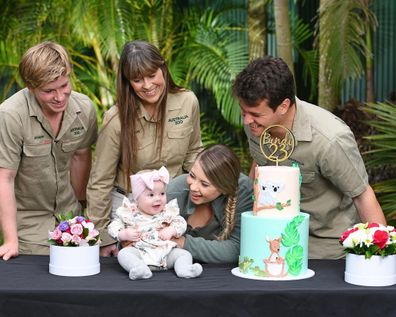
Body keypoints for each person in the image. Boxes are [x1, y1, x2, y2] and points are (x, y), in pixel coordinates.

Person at [232, 56, 387, 259]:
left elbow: (363, 195)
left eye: (255, 114)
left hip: (323, 245)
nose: (247, 120)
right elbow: (262, 160)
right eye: (243, 112)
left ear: (283, 106)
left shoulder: (330, 139)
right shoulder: (255, 124)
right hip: (270, 236)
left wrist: (381, 259)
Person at [86, 40, 203, 257]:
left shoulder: (188, 102)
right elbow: (100, 181)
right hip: (129, 213)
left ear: (163, 69)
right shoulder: (116, 119)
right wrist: (103, 238)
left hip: (172, 209)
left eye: (151, 75)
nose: (147, 85)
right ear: (128, 82)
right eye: (137, 80)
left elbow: (194, 156)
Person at [0, 41, 98, 260]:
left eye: (64, 86)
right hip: (29, 223)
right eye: (48, 91)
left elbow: (81, 157)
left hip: (71, 218)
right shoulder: (10, 115)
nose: (60, 97)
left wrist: (82, 214)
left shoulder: (85, 109)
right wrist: (10, 240)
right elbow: (4, 178)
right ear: (30, 86)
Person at [108, 166, 203, 280]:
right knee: (124, 254)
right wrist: (123, 234)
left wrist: (172, 230)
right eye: (151, 195)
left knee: (184, 254)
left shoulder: (167, 212)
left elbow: (181, 222)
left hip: (166, 254)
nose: (158, 198)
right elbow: (113, 226)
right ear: (137, 198)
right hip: (139, 252)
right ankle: (140, 269)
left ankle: (184, 269)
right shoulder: (129, 213)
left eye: (162, 194)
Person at [166, 144, 254, 264]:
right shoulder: (175, 192)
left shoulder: (242, 190)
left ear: (224, 188)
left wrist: (182, 242)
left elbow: (236, 249)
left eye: (204, 184)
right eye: (192, 176)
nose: (193, 187)